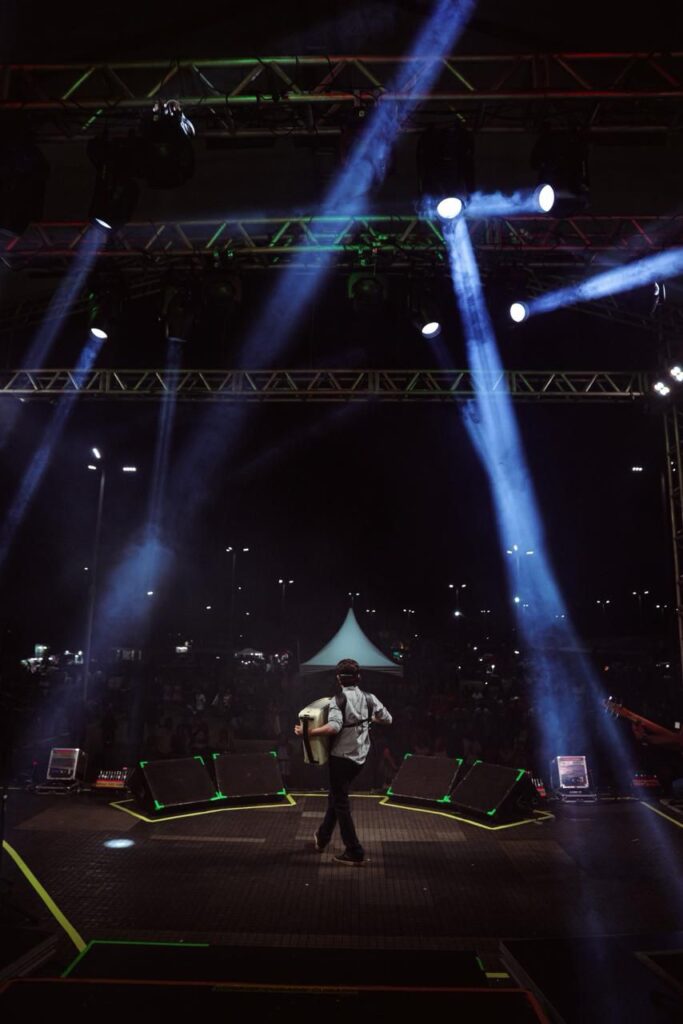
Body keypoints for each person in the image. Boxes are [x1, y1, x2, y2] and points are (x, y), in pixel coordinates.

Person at [294, 658, 392, 866]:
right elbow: (388, 719)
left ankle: (354, 851)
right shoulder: (370, 698)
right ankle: (323, 837)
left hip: (341, 758)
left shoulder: (337, 700)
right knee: (336, 797)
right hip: (361, 757)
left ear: (338, 679)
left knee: (340, 803)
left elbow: (334, 727)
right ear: (359, 678)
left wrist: (307, 732)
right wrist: (369, 719)